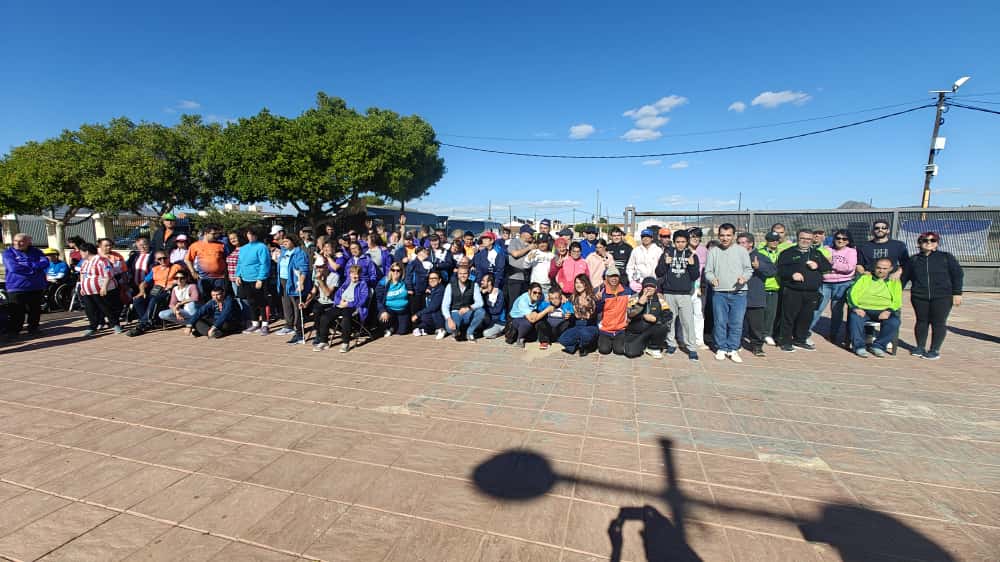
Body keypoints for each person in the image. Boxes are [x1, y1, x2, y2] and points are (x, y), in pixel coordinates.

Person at [902, 232, 963, 360]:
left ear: (937, 243)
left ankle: (934, 349)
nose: (929, 242)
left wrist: (957, 293)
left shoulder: (946, 257)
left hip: (942, 296)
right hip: (919, 295)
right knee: (921, 321)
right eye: (925, 240)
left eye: (932, 240)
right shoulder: (914, 260)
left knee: (939, 323)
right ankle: (920, 347)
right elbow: (905, 278)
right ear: (919, 243)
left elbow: (957, 275)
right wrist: (896, 293)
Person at [776, 228, 832, 352]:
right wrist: (792, 274)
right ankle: (784, 341)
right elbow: (780, 270)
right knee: (788, 317)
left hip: (811, 292)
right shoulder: (788, 253)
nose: (805, 241)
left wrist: (818, 265)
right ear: (797, 238)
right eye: (802, 238)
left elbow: (828, 267)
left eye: (808, 239)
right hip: (793, 290)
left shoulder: (816, 253)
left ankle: (800, 340)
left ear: (812, 240)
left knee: (805, 317)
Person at [704, 223, 753, 363]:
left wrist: (744, 278)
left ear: (733, 236)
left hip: (739, 293)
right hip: (720, 293)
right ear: (718, 236)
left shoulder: (742, 251)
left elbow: (748, 270)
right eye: (722, 235)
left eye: (728, 235)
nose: (725, 238)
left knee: (736, 322)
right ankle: (721, 347)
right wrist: (712, 279)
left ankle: (733, 348)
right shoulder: (714, 251)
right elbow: (708, 271)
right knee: (720, 322)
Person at [655, 230, 700, 361]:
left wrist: (691, 266)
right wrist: (665, 263)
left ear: (687, 242)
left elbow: (695, 276)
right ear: (674, 242)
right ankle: (671, 344)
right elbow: (658, 272)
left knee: (688, 322)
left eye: (683, 242)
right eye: (678, 242)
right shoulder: (667, 253)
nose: (680, 244)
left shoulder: (691, 255)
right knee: (669, 320)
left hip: (685, 294)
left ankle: (691, 348)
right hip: (669, 292)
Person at [848, 258, 902, 358]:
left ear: (890, 269)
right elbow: (852, 293)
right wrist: (856, 307)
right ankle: (859, 347)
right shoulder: (865, 278)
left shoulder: (894, 281)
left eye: (885, 268)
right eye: (879, 268)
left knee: (894, 322)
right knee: (855, 318)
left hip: (884, 310)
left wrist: (889, 310)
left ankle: (879, 346)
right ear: (874, 267)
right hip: (863, 309)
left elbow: (897, 300)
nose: (881, 271)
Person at [812, 229, 857, 345]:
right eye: (838, 238)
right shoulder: (827, 249)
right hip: (826, 283)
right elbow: (820, 262)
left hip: (843, 284)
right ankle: (806, 331)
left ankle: (833, 334)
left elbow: (849, 268)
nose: (840, 240)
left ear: (848, 241)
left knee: (837, 310)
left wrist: (832, 263)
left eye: (844, 239)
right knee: (817, 308)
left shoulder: (851, 251)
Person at [737, 233, 777, 357]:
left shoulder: (759, 257)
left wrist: (760, 266)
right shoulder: (734, 256)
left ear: (751, 243)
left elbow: (772, 271)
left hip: (754, 295)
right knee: (736, 322)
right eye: (738, 243)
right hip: (737, 294)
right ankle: (735, 343)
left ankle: (757, 346)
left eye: (743, 242)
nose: (741, 245)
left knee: (756, 324)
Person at [3, 233, 49, 338]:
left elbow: (45, 263)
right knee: (16, 312)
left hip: (35, 286)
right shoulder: (8, 253)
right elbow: (13, 268)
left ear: (29, 241)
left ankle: (33, 329)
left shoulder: (37, 251)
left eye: (21, 241)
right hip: (16, 287)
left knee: (35, 310)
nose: (18, 243)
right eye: (15, 241)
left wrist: (25, 265)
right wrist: (34, 268)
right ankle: (14, 332)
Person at [127, 250, 183, 336]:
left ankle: (143, 325)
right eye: (159, 259)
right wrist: (142, 291)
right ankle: (149, 321)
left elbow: (184, 279)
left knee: (154, 300)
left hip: (169, 292)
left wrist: (173, 283)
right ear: (157, 260)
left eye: (165, 258)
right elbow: (144, 282)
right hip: (155, 290)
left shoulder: (176, 267)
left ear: (169, 257)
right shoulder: (155, 269)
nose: (163, 260)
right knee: (138, 300)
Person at [314, 265, 369, 353]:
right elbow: (337, 295)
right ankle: (324, 341)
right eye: (353, 273)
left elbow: (362, 300)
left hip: (353, 307)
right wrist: (339, 302)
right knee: (324, 317)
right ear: (350, 274)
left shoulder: (363, 285)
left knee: (346, 318)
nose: (355, 276)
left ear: (360, 274)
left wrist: (348, 304)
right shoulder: (346, 283)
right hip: (340, 305)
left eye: (358, 273)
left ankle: (345, 343)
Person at [77, 242, 123, 336]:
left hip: (100, 289)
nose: (80, 254)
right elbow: (82, 274)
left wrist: (104, 287)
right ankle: (93, 326)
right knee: (90, 309)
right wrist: (82, 286)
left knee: (106, 307)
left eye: (81, 252)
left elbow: (108, 274)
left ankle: (115, 325)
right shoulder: (85, 262)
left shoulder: (102, 260)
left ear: (87, 252)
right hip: (87, 290)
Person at [236, 227, 273, 336]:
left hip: (258, 279)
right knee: (251, 302)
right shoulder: (243, 248)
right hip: (246, 279)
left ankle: (265, 324)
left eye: (252, 234)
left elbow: (265, 264)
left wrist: (261, 278)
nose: (250, 236)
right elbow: (240, 263)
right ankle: (255, 323)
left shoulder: (262, 247)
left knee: (262, 302)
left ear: (257, 235)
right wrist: (238, 275)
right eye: (248, 234)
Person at [275, 234, 311, 344]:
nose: (284, 243)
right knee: (286, 303)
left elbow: (303, 269)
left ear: (293, 242)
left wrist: (301, 282)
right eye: (283, 241)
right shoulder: (284, 251)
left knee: (297, 306)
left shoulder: (300, 253)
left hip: (294, 281)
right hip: (283, 279)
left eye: (286, 241)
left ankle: (299, 331)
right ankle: (289, 325)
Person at [624, 277, 671, 358]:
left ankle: (653, 347)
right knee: (631, 353)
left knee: (663, 326)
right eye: (646, 286)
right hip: (636, 330)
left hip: (652, 329)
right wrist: (640, 304)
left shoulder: (660, 299)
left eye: (651, 286)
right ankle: (643, 344)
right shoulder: (635, 297)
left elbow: (668, 316)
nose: (648, 288)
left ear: (655, 288)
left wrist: (656, 319)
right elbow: (629, 314)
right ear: (642, 287)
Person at [595, 267, 634, 355]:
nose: (614, 279)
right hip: (605, 329)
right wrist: (598, 301)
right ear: (606, 278)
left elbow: (637, 296)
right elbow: (596, 311)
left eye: (616, 276)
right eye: (611, 276)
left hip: (621, 329)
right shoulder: (601, 293)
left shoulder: (627, 291)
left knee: (619, 351)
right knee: (604, 350)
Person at [558, 274, 599, 356]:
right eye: (576, 283)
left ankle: (584, 346)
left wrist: (582, 310)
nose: (578, 285)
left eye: (581, 282)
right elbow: (566, 307)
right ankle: (576, 345)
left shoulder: (592, 297)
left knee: (585, 334)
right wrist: (568, 313)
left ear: (586, 284)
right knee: (562, 339)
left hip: (589, 326)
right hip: (578, 326)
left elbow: (590, 315)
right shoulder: (573, 297)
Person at [441, 266, 485, 341]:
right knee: (449, 329)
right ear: (457, 275)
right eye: (460, 273)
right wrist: (449, 319)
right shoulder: (450, 286)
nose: (463, 275)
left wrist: (469, 308)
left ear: (468, 274)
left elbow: (480, 302)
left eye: (465, 273)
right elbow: (445, 306)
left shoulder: (474, 285)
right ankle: (457, 331)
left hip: (468, 312)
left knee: (481, 311)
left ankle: (469, 332)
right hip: (455, 312)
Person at [758, 231, 783, 346]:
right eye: (771, 240)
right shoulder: (760, 253)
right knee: (759, 312)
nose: (774, 242)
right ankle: (757, 333)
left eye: (776, 240)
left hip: (775, 286)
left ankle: (767, 334)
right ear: (767, 241)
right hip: (762, 285)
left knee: (771, 313)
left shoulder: (781, 253)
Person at [506, 283, 551, 348]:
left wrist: (562, 297)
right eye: (534, 292)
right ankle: (520, 338)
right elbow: (532, 320)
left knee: (539, 320)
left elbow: (551, 297)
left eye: (539, 293)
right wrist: (546, 310)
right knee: (528, 323)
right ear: (529, 291)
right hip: (515, 319)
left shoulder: (540, 296)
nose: (537, 295)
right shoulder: (523, 300)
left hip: (528, 317)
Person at [505, 225, 536, 312]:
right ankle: (511, 322)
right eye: (530, 233)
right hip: (515, 278)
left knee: (524, 303)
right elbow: (515, 254)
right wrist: (529, 248)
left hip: (526, 278)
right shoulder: (514, 242)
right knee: (514, 303)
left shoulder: (532, 244)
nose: (532, 235)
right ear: (523, 234)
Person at [687, 227, 709, 350]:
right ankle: (682, 338)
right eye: (693, 236)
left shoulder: (704, 250)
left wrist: (702, 286)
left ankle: (699, 340)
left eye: (698, 236)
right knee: (683, 314)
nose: (695, 238)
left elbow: (708, 269)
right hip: (685, 288)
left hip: (700, 288)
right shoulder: (683, 249)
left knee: (699, 313)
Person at [376, 262, 410, 336]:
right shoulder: (384, 282)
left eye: (398, 270)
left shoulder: (405, 282)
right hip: (389, 309)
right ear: (390, 271)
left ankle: (394, 326)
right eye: (393, 270)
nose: (395, 272)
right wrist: (383, 311)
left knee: (402, 332)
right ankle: (389, 327)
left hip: (403, 310)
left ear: (401, 272)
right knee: (383, 319)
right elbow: (379, 300)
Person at [412, 271, 446, 338]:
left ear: (439, 280)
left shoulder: (441, 289)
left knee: (430, 313)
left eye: (434, 278)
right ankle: (424, 329)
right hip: (431, 315)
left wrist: (417, 314)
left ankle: (441, 328)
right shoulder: (430, 289)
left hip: (440, 315)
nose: (432, 280)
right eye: (430, 278)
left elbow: (434, 307)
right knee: (424, 314)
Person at [404, 245, 434, 314]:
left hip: (425, 292)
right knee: (415, 311)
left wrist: (429, 287)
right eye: (425, 251)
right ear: (420, 253)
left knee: (423, 311)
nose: (427, 253)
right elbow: (408, 277)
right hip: (415, 292)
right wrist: (410, 289)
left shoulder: (429, 264)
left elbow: (431, 276)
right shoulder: (413, 263)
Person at [125, 236, 154, 303]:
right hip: (135, 285)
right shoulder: (134, 256)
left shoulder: (153, 256)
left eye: (145, 244)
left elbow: (154, 270)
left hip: (148, 285)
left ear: (149, 244)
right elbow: (126, 267)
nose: (143, 247)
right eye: (140, 245)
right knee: (136, 302)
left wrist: (146, 281)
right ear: (137, 245)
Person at [480, 273, 506, 339]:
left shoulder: (499, 293)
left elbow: (497, 310)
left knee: (486, 333)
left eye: (483, 280)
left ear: (489, 282)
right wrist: (481, 294)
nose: (481, 282)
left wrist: (486, 310)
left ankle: (501, 331)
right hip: (489, 320)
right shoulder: (484, 293)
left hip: (499, 321)